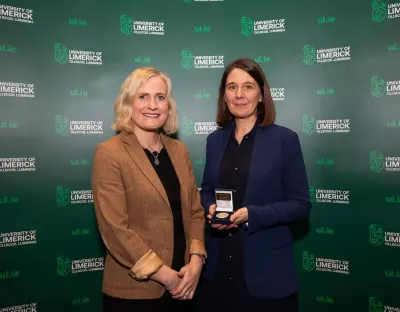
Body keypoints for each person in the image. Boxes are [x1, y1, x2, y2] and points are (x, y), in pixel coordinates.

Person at [199, 58, 311, 312]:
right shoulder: (214, 141)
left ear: (261, 95)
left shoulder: (285, 140)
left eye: (248, 87)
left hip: (266, 276)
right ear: (224, 95)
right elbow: (206, 190)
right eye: (232, 87)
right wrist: (211, 208)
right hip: (218, 273)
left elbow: (301, 205)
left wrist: (252, 215)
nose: (239, 95)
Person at [91, 67, 207, 312]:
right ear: (128, 103)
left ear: (169, 105)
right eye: (143, 96)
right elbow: (115, 230)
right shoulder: (110, 153)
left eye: (160, 97)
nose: (152, 105)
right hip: (134, 294)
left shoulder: (179, 151)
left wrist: (196, 263)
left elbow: (195, 212)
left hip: (184, 287)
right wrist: (166, 276)